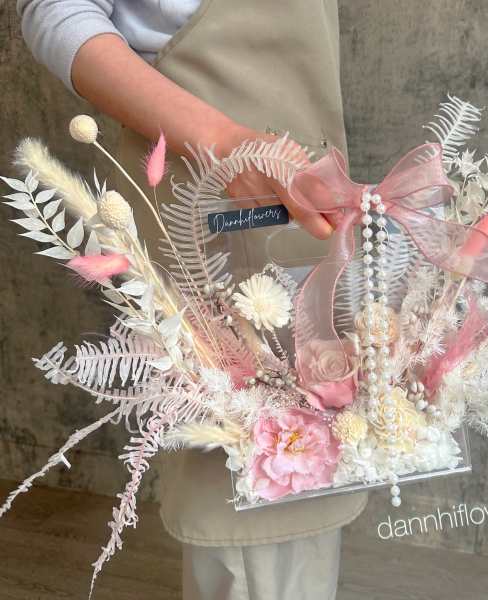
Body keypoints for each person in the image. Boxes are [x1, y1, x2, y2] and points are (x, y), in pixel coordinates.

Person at [17, 2, 368, 599]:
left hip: (304, 193)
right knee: (249, 508)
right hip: (208, 201)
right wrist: (223, 143)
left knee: (307, 483)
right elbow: (55, 10)